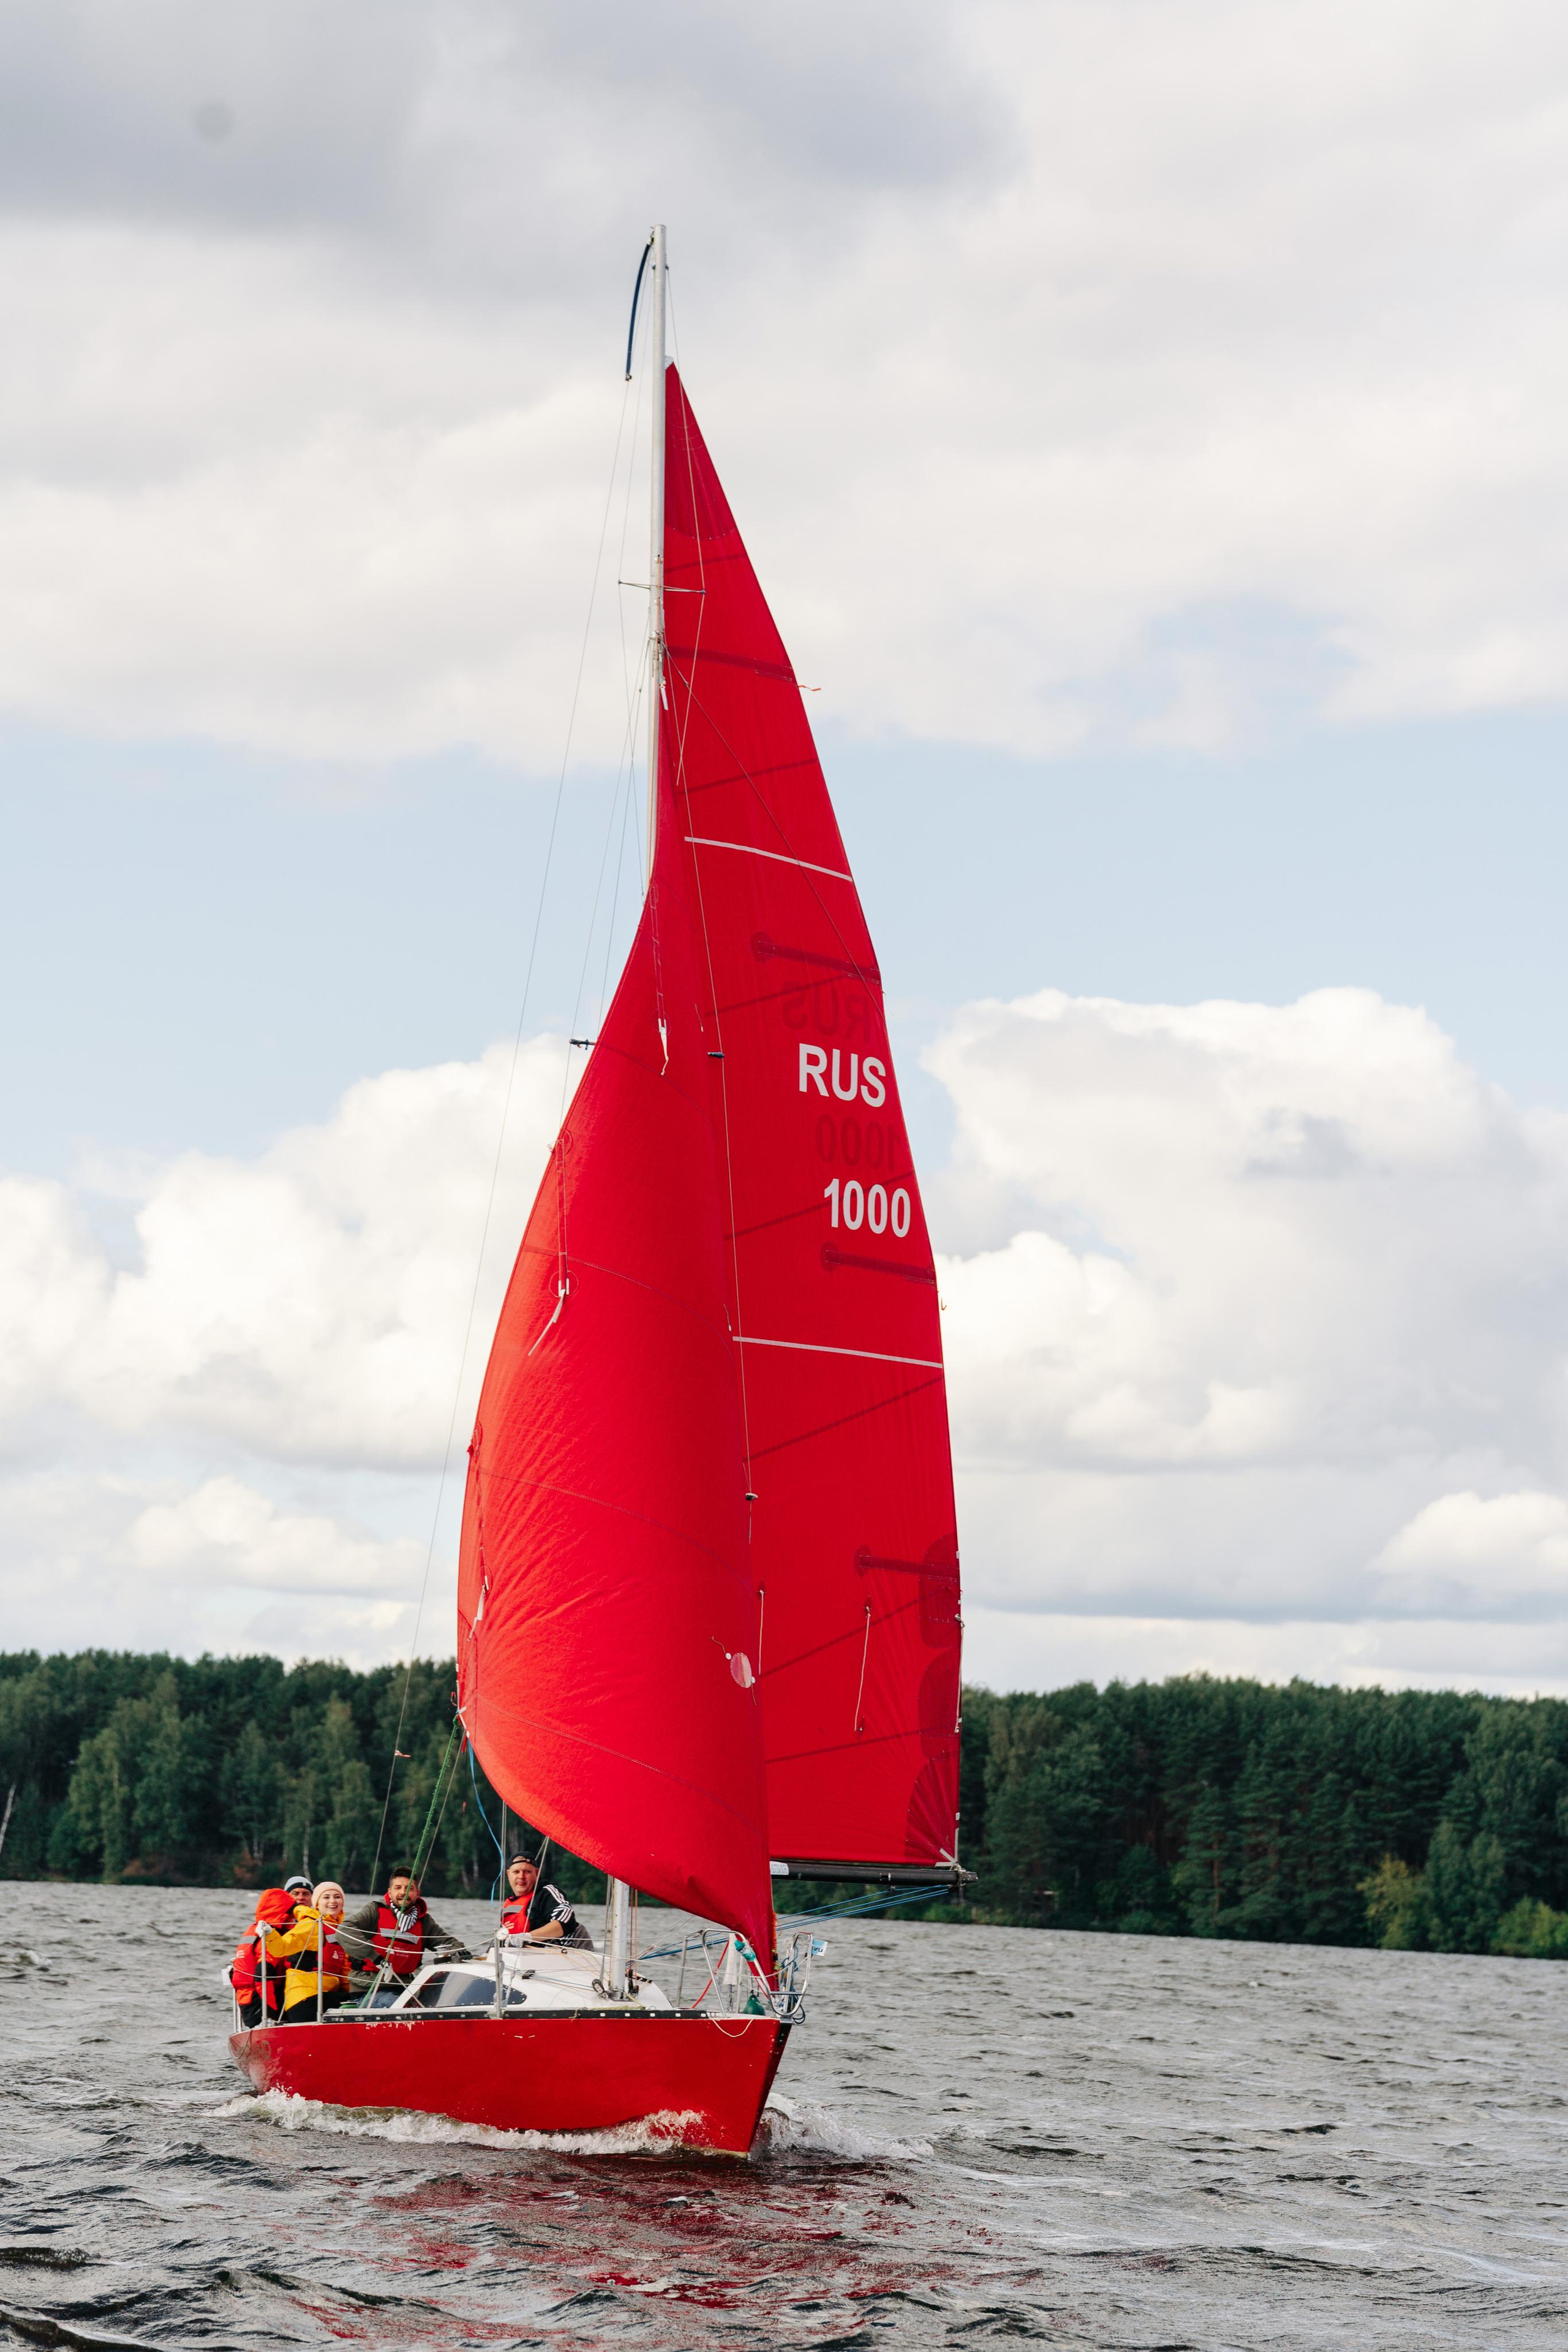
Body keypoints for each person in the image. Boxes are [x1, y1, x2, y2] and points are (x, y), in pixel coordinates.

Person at [341, 1867, 467, 1984]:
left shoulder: (424, 1922)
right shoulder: (374, 1911)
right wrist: (375, 1958)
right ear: (390, 1893)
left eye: (409, 1888)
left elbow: (447, 1942)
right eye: (398, 1888)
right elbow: (344, 1930)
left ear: (417, 1894)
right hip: (370, 1986)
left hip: (405, 1987)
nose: (404, 1893)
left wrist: (458, 1951)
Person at [273, 1880, 363, 2022]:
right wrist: (268, 1933)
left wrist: (359, 1991)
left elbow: (344, 1975)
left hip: (325, 1997)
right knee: (369, 2001)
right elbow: (281, 1948)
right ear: (316, 1904)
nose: (333, 1901)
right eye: (326, 1897)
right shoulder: (312, 1925)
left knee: (366, 1999)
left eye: (337, 1897)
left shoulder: (338, 1930)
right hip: (304, 2001)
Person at [229, 1886, 300, 2027]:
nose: (293, 1918)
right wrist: (272, 2013)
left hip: (247, 2001)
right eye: (291, 1914)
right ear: (282, 1914)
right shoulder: (267, 1937)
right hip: (258, 2004)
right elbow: (263, 1976)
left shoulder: (254, 1930)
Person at [500, 1854, 593, 1950]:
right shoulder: (509, 1904)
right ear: (508, 1874)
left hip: (561, 1955)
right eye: (516, 1872)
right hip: (520, 1958)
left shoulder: (547, 1893)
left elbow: (566, 1920)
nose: (521, 1876)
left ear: (536, 1873)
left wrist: (528, 1937)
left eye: (527, 1872)